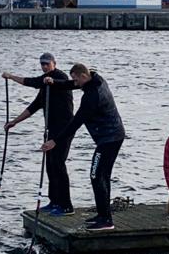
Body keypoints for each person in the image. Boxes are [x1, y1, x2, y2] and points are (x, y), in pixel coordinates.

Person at [40, 64, 125, 231]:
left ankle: (106, 221)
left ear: (84, 76)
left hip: (109, 139)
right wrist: (54, 82)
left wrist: (54, 141)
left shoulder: (92, 96)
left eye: (77, 80)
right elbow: (71, 84)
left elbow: (76, 122)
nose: (75, 83)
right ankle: (103, 215)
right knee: (102, 176)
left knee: (96, 175)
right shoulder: (94, 77)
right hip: (113, 135)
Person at [2, 53, 74, 216]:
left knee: (58, 165)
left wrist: (11, 77)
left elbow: (33, 82)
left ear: (54, 63)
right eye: (42, 64)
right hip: (51, 129)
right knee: (50, 166)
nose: (44, 66)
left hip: (64, 130)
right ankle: (54, 201)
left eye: (47, 64)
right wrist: (15, 121)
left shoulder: (57, 77)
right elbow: (34, 106)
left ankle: (67, 205)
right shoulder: (45, 84)